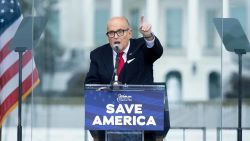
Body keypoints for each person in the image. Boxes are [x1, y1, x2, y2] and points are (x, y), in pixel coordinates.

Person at [85, 16, 164, 141]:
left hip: (142, 123)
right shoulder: (98, 54)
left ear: (129, 33)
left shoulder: (142, 47)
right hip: (109, 125)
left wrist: (148, 36)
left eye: (120, 32)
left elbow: (156, 51)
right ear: (107, 36)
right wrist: (103, 91)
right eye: (111, 33)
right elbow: (91, 84)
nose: (116, 36)